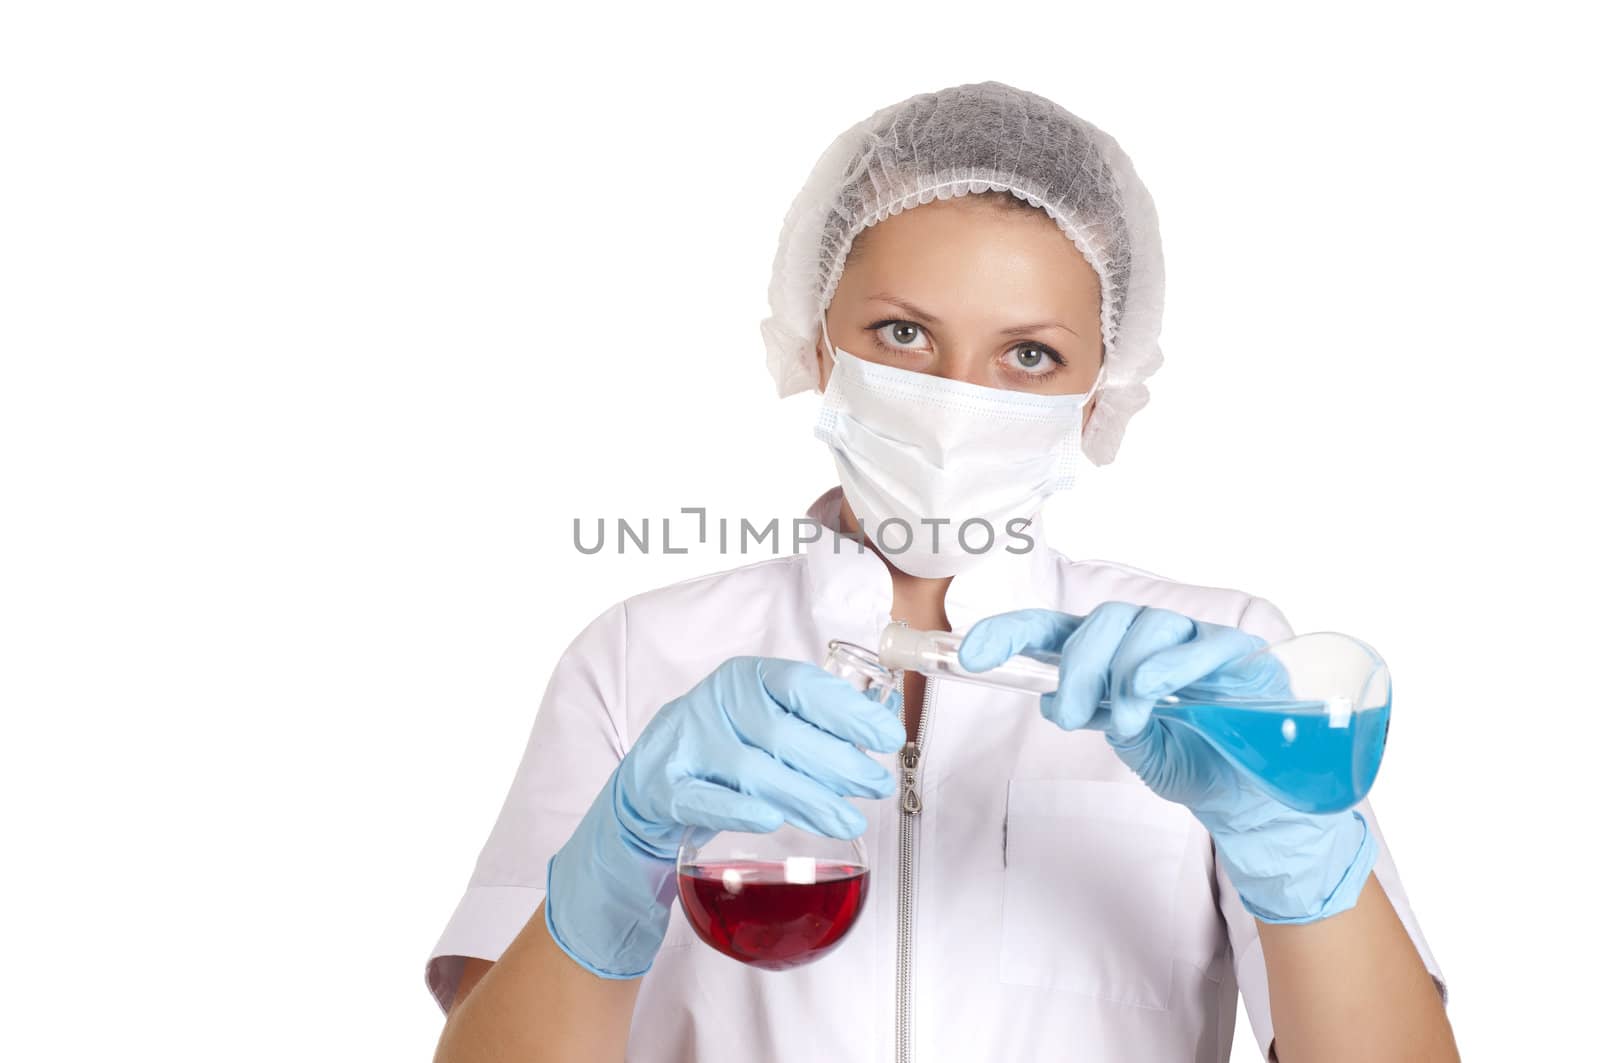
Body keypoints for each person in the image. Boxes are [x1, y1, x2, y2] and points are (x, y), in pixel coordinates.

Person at [426, 80, 1456, 1062]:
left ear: (1104, 386)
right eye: (904, 332)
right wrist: (616, 861)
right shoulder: (641, 656)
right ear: (817, 340)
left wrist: (1293, 850)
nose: (958, 398)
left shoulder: (1210, 664)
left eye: (1029, 356)